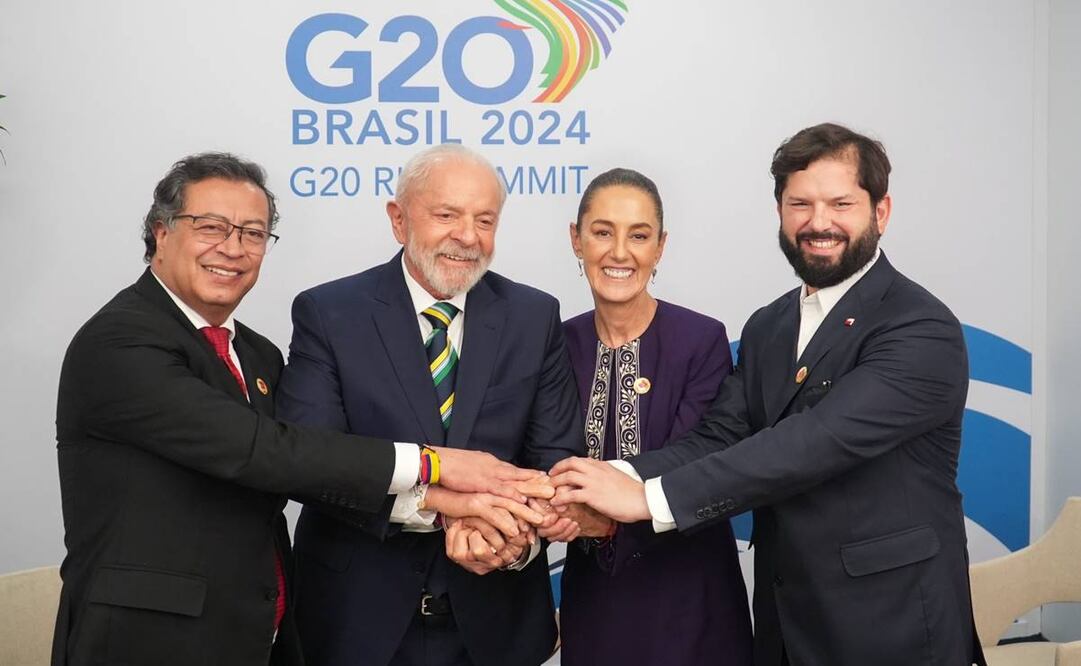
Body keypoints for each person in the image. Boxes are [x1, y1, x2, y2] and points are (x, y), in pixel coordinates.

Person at [53, 152, 532, 666]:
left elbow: (310, 464)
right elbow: (264, 451)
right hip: (146, 642)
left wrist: (453, 504)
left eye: (253, 233)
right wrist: (437, 464)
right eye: (211, 227)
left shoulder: (254, 353)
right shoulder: (120, 341)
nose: (232, 248)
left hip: (258, 635)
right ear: (161, 232)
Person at [551, 124, 987, 666]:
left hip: (890, 627)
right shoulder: (769, 326)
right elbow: (719, 437)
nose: (818, 221)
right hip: (785, 625)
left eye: (840, 203)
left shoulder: (920, 328)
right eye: (799, 203)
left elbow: (813, 443)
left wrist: (645, 499)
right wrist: (617, 477)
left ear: (881, 212)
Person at [275, 144, 584, 666]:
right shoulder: (329, 314)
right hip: (356, 627)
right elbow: (313, 462)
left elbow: (554, 459)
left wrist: (512, 542)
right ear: (398, 220)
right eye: (446, 215)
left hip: (495, 625)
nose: (468, 236)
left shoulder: (534, 316)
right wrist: (441, 506)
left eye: (484, 219)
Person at [555, 168, 754, 665]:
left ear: (660, 247)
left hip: (690, 597)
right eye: (602, 232)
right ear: (576, 240)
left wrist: (606, 488)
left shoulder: (701, 339)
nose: (619, 252)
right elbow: (545, 455)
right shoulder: (556, 344)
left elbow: (704, 457)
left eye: (639, 236)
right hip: (593, 598)